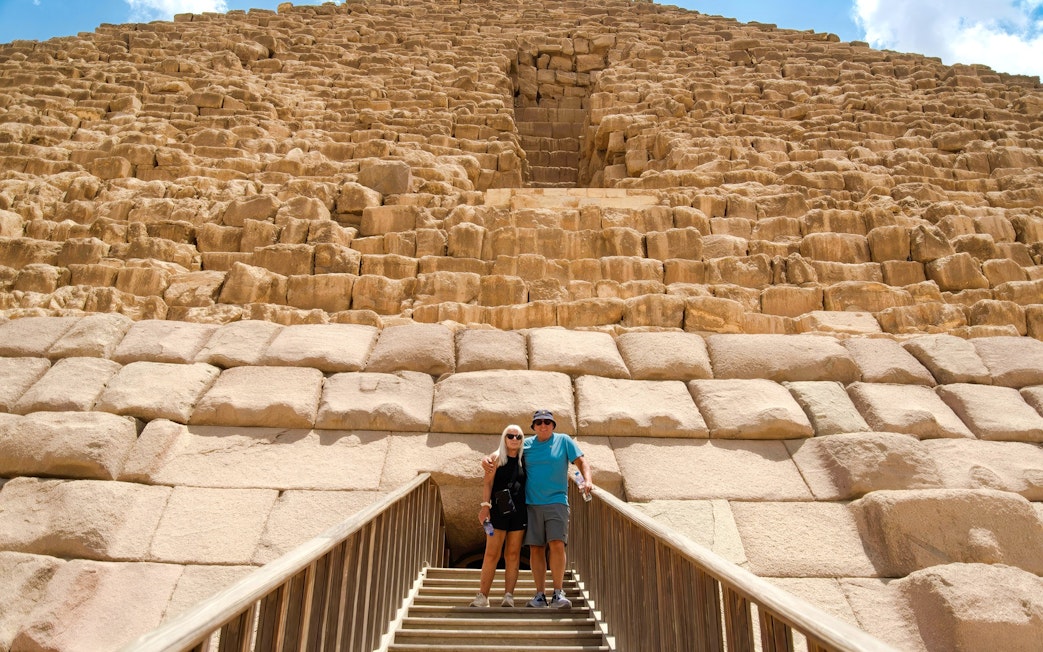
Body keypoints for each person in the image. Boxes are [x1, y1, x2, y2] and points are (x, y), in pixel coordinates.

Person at [483, 409, 592, 609]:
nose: (543, 425)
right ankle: (540, 595)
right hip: (531, 504)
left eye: (547, 422)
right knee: (536, 548)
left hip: (557, 501)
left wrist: (587, 480)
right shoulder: (527, 444)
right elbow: (508, 449)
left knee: (557, 544)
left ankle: (558, 593)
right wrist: (488, 458)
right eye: (539, 422)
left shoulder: (564, 441)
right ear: (533, 426)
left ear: (553, 425)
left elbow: (581, 461)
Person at [471, 423, 527, 608]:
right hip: (498, 511)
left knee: (512, 553)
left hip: (519, 512)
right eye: (510, 436)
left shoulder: (524, 459)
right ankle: (482, 596)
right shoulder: (495, 458)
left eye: (518, 437)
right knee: (491, 553)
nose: (514, 440)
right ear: (504, 438)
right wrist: (485, 506)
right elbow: (487, 483)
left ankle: (509, 595)